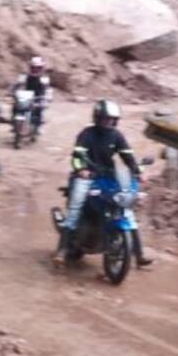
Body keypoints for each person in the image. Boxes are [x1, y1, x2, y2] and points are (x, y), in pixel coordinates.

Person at [54, 99, 152, 267]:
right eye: (105, 118)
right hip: (87, 176)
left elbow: (127, 157)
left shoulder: (117, 135)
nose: (108, 122)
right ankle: (62, 251)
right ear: (97, 118)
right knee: (75, 209)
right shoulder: (86, 134)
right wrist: (81, 170)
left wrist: (137, 172)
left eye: (111, 119)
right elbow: (77, 157)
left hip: (108, 176)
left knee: (126, 210)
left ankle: (139, 255)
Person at [12, 56, 53, 135]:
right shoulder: (23, 76)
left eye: (38, 67)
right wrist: (12, 93)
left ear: (41, 68)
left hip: (38, 98)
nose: (35, 69)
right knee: (15, 106)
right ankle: (14, 123)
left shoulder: (44, 78)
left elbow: (48, 90)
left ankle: (37, 126)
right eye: (33, 67)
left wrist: (47, 97)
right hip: (25, 96)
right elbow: (15, 86)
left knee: (39, 109)